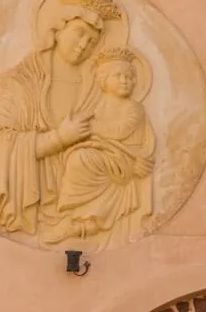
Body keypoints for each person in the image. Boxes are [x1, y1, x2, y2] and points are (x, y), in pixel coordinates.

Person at [0, 0, 120, 241]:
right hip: (37, 196)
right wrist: (60, 138)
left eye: (93, 41)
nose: (84, 44)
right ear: (56, 28)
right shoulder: (18, 84)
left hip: (90, 191)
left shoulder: (99, 87)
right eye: (79, 33)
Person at [55, 47, 155, 243]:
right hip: (104, 154)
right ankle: (79, 216)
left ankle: (91, 221)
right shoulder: (97, 106)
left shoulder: (133, 108)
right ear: (103, 80)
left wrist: (91, 128)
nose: (125, 81)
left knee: (81, 158)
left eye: (129, 77)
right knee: (75, 157)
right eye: (118, 76)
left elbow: (120, 131)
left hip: (124, 158)